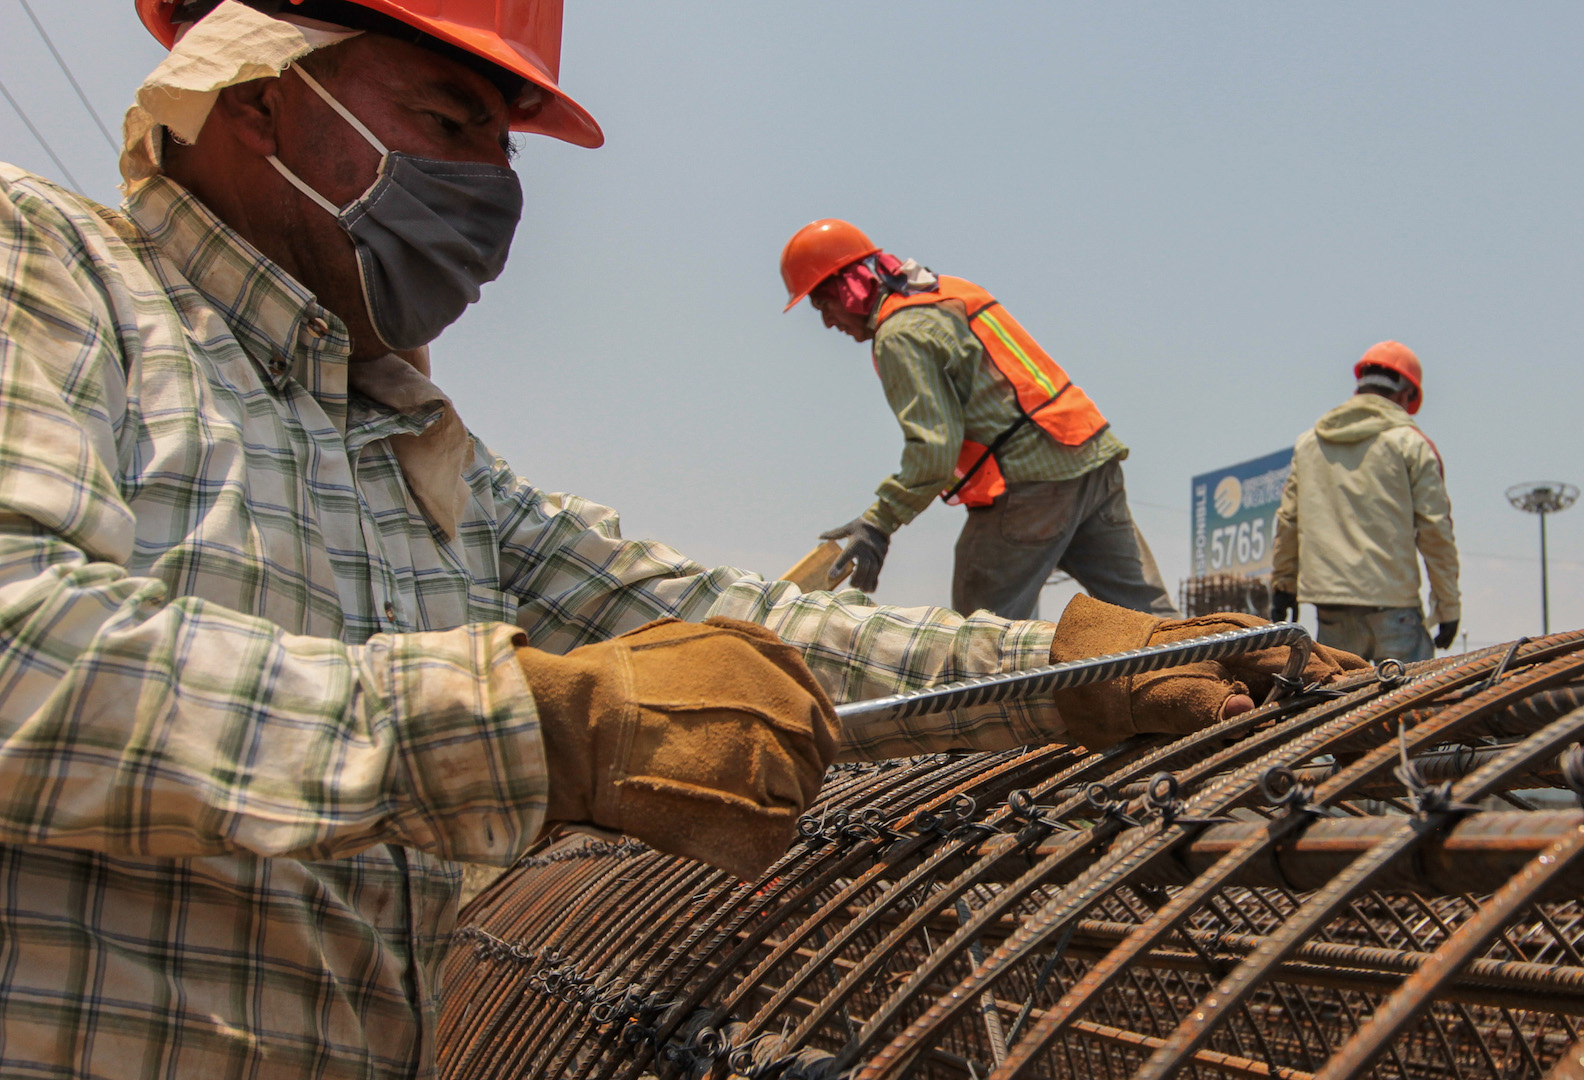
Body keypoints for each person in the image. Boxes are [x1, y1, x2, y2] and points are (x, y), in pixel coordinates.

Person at [0, 2, 1363, 1075]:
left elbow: (716, 615)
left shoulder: (412, 447)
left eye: (502, 147)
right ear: (257, 91)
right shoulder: (52, 267)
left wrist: (1068, 672)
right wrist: (543, 725)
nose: (492, 188)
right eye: (449, 119)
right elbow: (23, 647)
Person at [780, 219, 1178, 622]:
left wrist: (878, 523)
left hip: (1028, 484)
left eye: (823, 305)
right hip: (1088, 456)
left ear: (849, 288)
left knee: (983, 635)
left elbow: (934, 451)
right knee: (1150, 617)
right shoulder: (952, 292)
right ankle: (1203, 662)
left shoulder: (899, 334)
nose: (827, 322)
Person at [1271, 341, 1461, 663]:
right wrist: (1448, 607)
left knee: (1339, 694)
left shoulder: (1309, 444)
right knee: (1419, 694)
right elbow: (1435, 531)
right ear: (1406, 395)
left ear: (1360, 386)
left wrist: (1283, 586)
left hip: (1331, 610)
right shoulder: (1411, 445)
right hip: (1394, 608)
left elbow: (1289, 521)